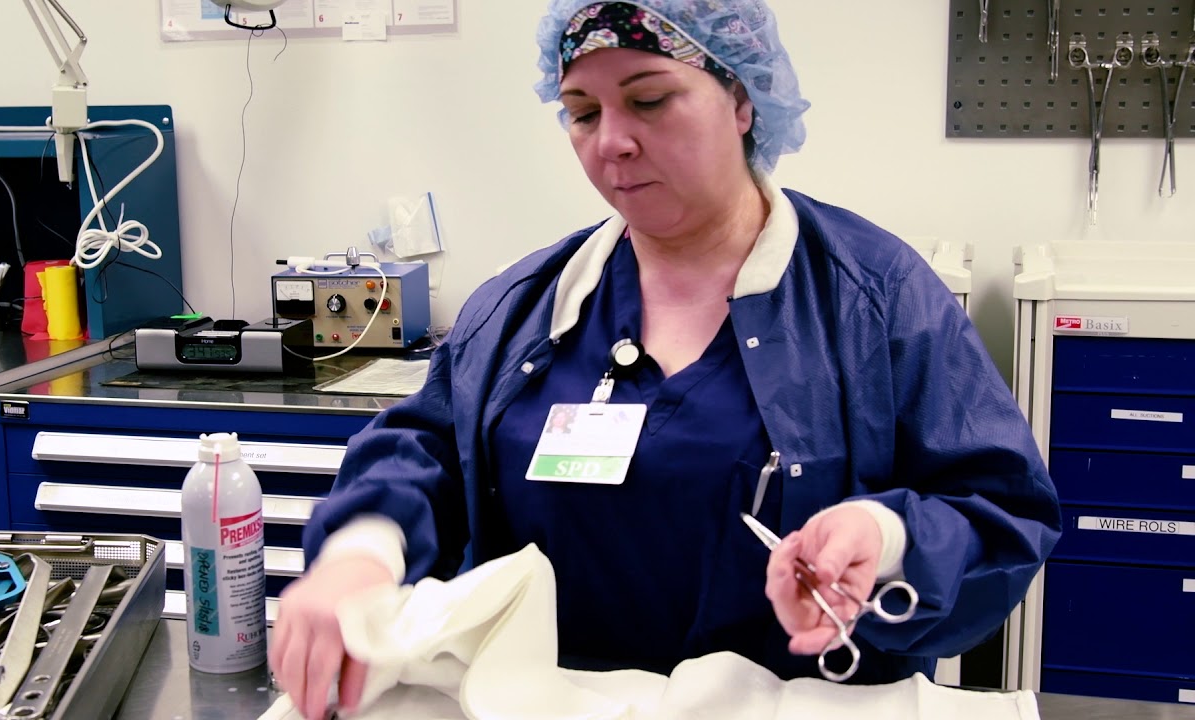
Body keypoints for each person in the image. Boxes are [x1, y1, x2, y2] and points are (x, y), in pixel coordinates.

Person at [269, 2, 1062, 718]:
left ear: (742, 100)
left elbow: (998, 511)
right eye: (582, 112)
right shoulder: (525, 309)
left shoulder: (874, 300)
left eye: (649, 99)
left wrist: (884, 534)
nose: (611, 141)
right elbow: (426, 446)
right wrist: (362, 552)